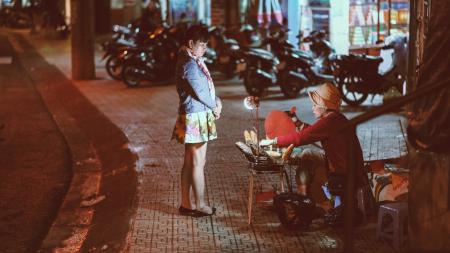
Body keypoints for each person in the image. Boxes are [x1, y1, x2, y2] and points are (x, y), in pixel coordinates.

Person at [260, 83, 366, 213]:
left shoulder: (330, 121)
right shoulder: (336, 118)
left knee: (308, 164)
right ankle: (313, 200)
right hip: (345, 166)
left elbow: (301, 138)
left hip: (343, 171)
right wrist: (296, 122)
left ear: (323, 106)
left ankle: (314, 204)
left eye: (315, 105)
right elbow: (313, 131)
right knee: (307, 154)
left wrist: (273, 141)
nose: (313, 108)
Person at [172, 24, 222, 217]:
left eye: (206, 44)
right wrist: (215, 105)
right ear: (191, 43)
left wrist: (215, 102)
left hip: (192, 115)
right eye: (202, 44)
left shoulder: (190, 59)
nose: (205, 48)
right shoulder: (189, 64)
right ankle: (200, 205)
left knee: (190, 162)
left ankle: (186, 203)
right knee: (198, 163)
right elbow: (201, 93)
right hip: (196, 116)